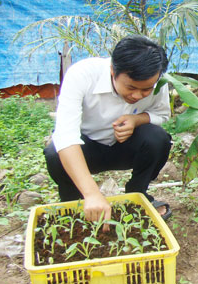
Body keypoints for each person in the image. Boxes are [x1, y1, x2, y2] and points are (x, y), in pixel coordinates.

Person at [44, 35, 173, 226]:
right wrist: (92, 193)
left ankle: (138, 196)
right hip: (87, 151)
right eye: (130, 87)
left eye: (146, 90)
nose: (137, 95)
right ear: (113, 70)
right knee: (54, 153)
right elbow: (66, 136)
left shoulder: (156, 82)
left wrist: (137, 120)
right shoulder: (82, 75)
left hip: (123, 148)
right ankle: (75, 205)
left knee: (158, 138)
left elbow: (162, 114)